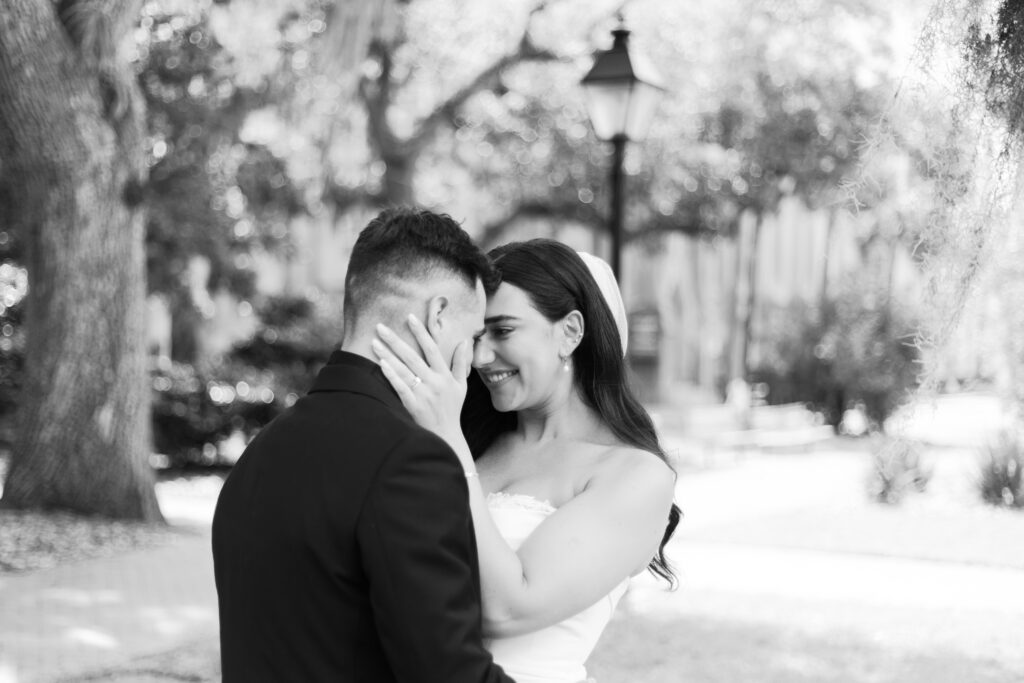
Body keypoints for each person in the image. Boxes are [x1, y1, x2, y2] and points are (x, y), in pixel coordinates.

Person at [211, 208, 515, 683]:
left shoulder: (262, 453)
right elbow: (449, 673)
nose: (477, 357)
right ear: (437, 315)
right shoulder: (411, 460)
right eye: (474, 334)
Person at [373, 238, 681, 683]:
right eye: (478, 335)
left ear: (570, 332)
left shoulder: (636, 476)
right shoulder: (474, 440)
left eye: (504, 331)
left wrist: (448, 439)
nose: (481, 356)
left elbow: (508, 609)